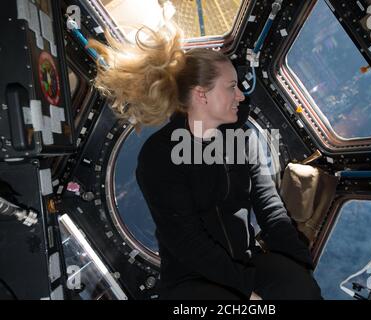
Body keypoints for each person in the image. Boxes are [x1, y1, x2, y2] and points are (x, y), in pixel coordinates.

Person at [89, 24, 322, 300]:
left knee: (298, 287)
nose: (241, 96)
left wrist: (301, 268)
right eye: (232, 87)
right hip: (189, 282)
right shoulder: (159, 155)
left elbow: (271, 211)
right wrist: (247, 289)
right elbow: (188, 242)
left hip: (246, 262)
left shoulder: (243, 139)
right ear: (202, 94)